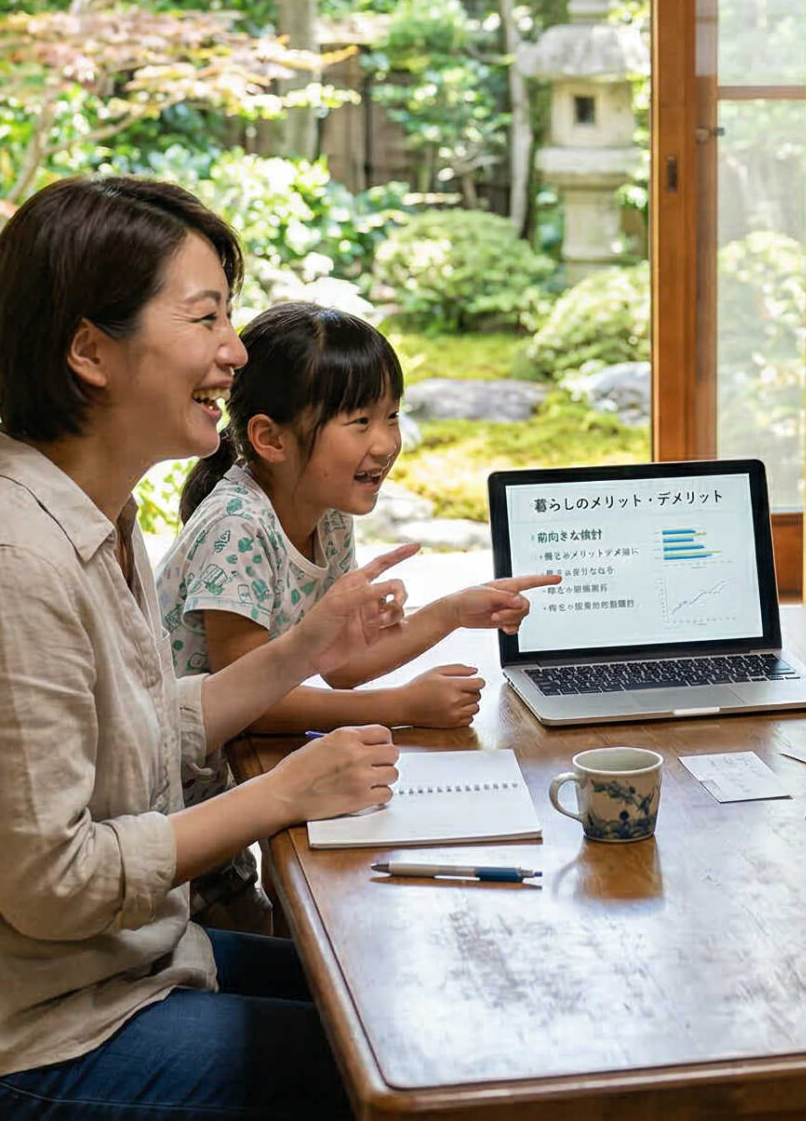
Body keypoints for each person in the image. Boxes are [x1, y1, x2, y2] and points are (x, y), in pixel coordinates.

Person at [0, 175, 408, 1121]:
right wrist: (282, 794)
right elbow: (57, 882)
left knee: (382, 993)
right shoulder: (6, 562)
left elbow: (144, 719)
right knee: (385, 1071)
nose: (235, 350)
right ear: (90, 351)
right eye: (206, 317)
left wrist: (305, 644)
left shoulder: (90, 515)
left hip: (93, 978)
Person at [155, 300, 558, 930]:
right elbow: (246, 698)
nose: (387, 442)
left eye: (392, 415)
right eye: (360, 420)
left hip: (222, 802)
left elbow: (341, 663)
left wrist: (454, 610)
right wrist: (399, 706)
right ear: (269, 438)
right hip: (174, 818)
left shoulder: (328, 510)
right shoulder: (238, 525)